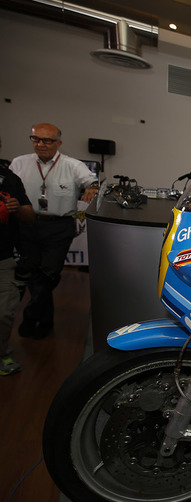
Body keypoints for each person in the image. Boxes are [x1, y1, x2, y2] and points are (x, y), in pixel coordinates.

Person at [10, 123, 99, 340]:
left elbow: (92, 182)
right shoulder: (19, 163)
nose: (41, 144)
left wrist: (91, 188)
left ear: (58, 143)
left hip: (59, 227)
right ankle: (45, 320)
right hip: (27, 223)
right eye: (36, 139)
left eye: (47, 140)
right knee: (34, 274)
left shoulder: (72, 165)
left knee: (49, 273)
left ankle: (31, 316)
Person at [0, 136, 35, 375]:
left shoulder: (9, 179)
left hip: (3, 257)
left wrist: (17, 208)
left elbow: (29, 215)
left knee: (4, 312)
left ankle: (2, 355)